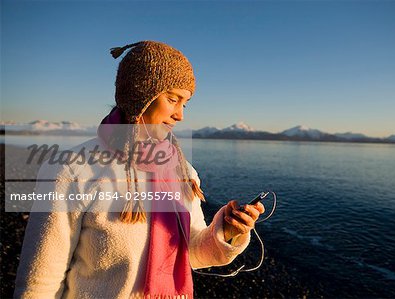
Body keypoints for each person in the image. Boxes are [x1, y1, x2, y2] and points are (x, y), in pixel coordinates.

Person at [14, 41, 265, 299]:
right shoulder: (73, 168)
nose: (180, 115)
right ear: (139, 96)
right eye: (172, 99)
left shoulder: (183, 171)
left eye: (185, 103)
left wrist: (227, 231)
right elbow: (40, 280)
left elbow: (193, 253)